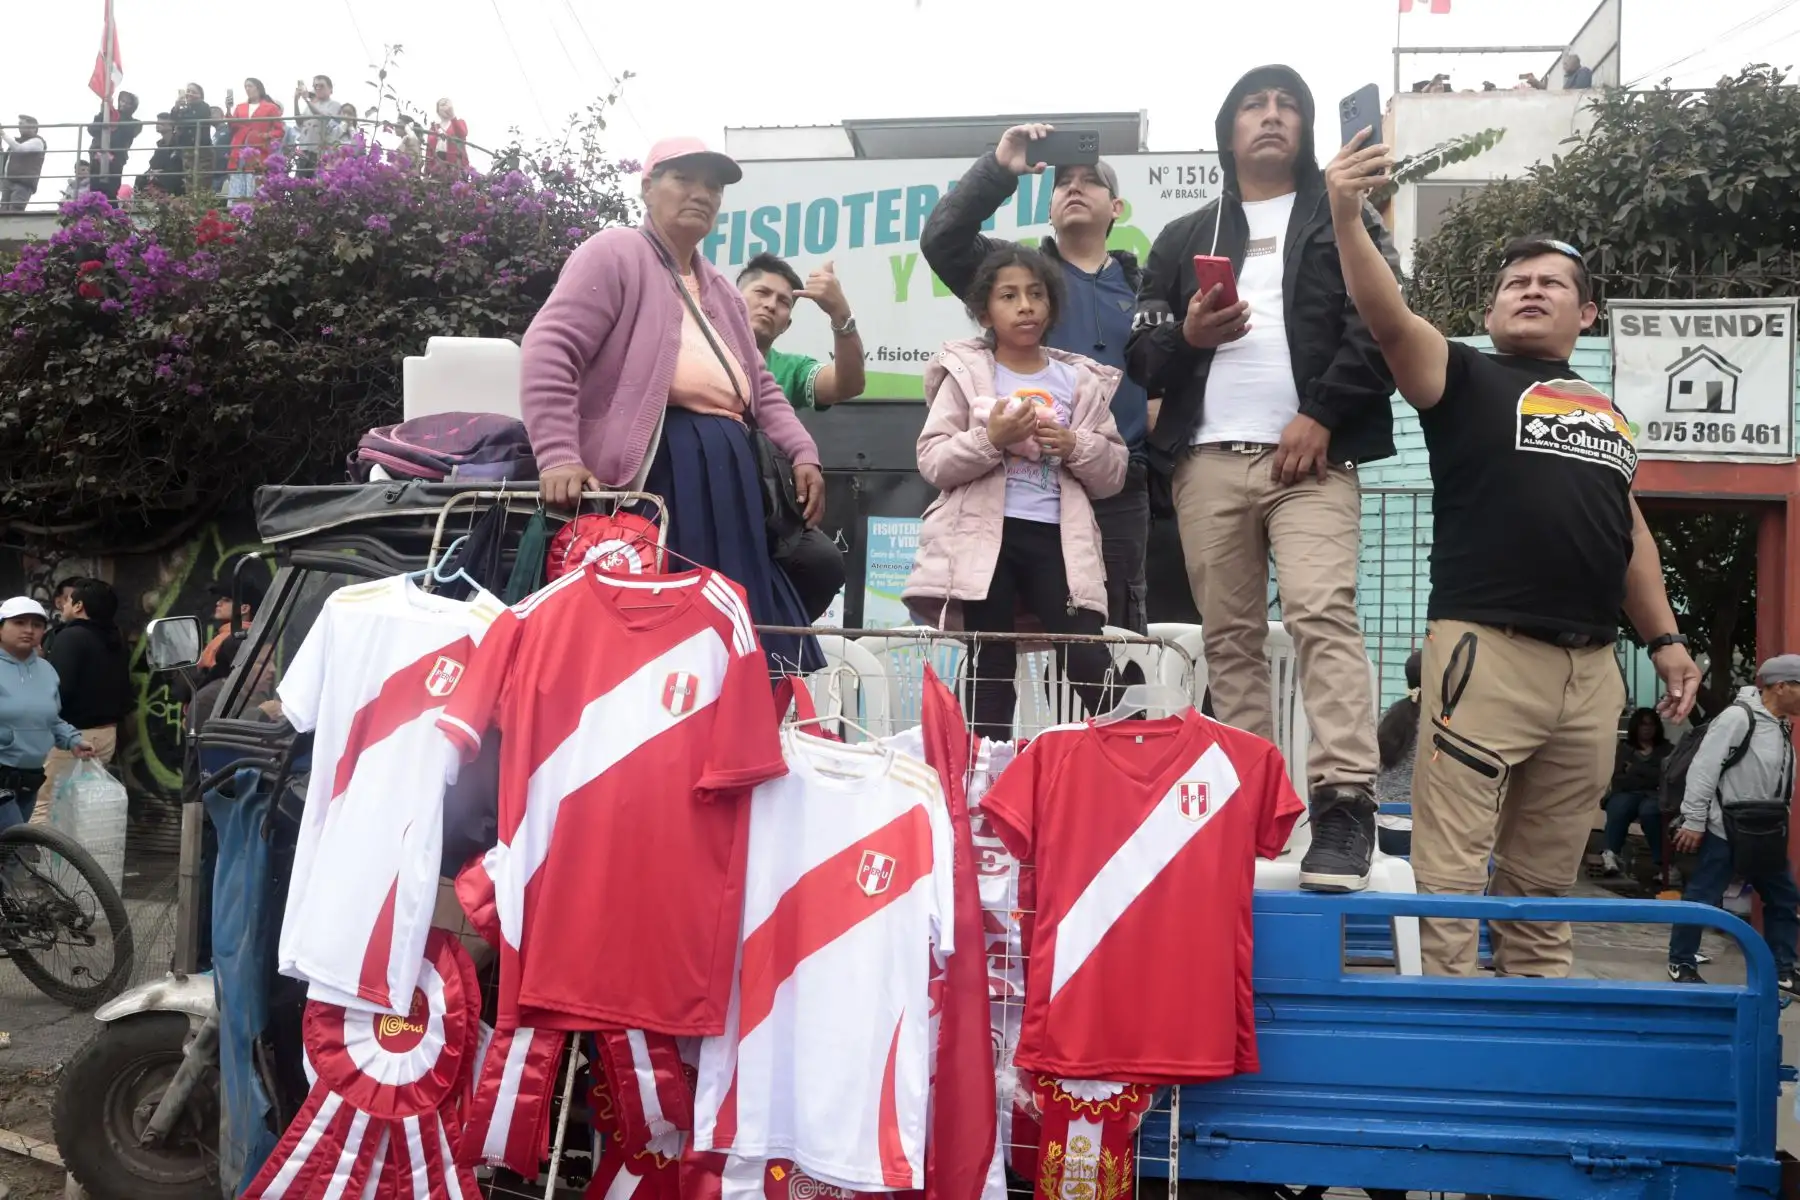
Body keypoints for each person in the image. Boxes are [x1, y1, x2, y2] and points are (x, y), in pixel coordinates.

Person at [1325, 129, 1701, 978]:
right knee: (1451, 883)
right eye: (1515, 283)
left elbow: (1627, 527)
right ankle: (1448, 1051)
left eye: (1552, 283)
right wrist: (1346, 213)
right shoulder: (1457, 373)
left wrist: (1667, 640)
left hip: (1591, 669)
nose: (1531, 291)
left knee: (1542, 883)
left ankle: (1533, 1035)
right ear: (1493, 310)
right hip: (1483, 653)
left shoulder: (1605, 414)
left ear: (1587, 314)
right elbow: (1386, 317)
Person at [1127, 65, 1398, 893]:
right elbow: (1141, 356)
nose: (1273, 116)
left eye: (1289, 105)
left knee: (1322, 613)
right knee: (1230, 641)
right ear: (1228, 127)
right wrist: (1192, 334)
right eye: (1255, 104)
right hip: (1207, 461)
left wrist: (1319, 412)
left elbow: (1383, 325)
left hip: (1316, 458)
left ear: (1309, 127)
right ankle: (1249, 802)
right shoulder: (1181, 236)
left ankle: (1345, 805)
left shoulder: (1346, 212)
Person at [519, 136, 832, 673]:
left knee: (737, 629)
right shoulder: (615, 251)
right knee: (658, 637)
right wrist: (557, 454)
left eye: (712, 186)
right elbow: (551, 347)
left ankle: (731, 745)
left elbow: (761, 386)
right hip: (657, 475)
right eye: (684, 179)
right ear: (647, 188)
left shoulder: (723, 291)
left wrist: (803, 452)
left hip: (729, 479)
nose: (702, 194)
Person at [922, 126, 1151, 638]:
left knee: (1106, 645)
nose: (1073, 187)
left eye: (1088, 180)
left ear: (1116, 207)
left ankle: (1111, 724)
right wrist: (1001, 168)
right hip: (1014, 493)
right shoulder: (1021, 274)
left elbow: (1173, 376)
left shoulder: (1146, 288)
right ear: (1047, 211)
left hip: (1115, 486)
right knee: (998, 650)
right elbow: (942, 239)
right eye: (1062, 182)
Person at [903, 244, 1127, 740]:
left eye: (1035, 294)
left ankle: (1136, 756)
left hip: (1057, 540)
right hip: (986, 540)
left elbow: (1113, 473)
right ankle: (982, 776)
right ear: (985, 311)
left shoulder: (1080, 381)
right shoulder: (965, 375)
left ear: (1051, 307)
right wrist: (992, 439)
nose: (1024, 305)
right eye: (1008, 296)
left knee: (1086, 650)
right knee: (990, 656)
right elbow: (934, 461)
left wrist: (1074, 445)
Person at [1667, 655, 1800, 991]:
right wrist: (1695, 820)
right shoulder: (1738, 718)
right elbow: (1704, 769)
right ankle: (1681, 961)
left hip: (1766, 830)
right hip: (1725, 827)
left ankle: (1782, 969)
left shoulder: (1781, 723)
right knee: (1702, 897)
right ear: (1781, 686)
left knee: (1784, 897)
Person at [35, 579, 131, 822]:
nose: (64, 605)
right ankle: (74, 859)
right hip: (106, 735)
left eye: (68, 600)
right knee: (79, 809)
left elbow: (58, 690)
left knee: (45, 806)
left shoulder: (71, 636)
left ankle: (43, 860)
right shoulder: (115, 638)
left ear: (78, 606)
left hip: (72, 737)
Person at [0, 598, 96, 829]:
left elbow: (51, 718)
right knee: (16, 848)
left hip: (29, 778)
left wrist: (73, 740)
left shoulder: (46, 670)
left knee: (7, 855)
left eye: (37, 624)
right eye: (19, 622)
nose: (29, 630)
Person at [736, 253, 866, 410]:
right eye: (762, 293)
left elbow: (849, 386)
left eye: (783, 301)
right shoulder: (700, 345)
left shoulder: (793, 370)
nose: (771, 305)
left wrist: (840, 312)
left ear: (786, 325)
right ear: (733, 299)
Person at [1601, 707, 1671, 875]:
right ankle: (1610, 854)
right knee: (1618, 806)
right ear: (1635, 727)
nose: (1647, 728)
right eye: (1643, 724)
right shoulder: (1624, 749)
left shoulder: (1666, 749)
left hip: (1655, 795)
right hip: (1627, 793)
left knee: (1650, 812)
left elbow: (1665, 778)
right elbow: (1619, 779)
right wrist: (1649, 775)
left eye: (1651, 724)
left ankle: (1663, 863)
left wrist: (1635, 769)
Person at [226, 78, 283, 198]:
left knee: (255, 184)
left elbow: (279, 129)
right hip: (239, 148)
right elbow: (232, 126)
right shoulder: (240, 107)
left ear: (258, 87)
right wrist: (228, 109)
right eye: (245, 86)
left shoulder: (271, 107)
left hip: (259, 151)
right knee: (237, 181)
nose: (247, 89)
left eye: (250, 86)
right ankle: (236, 213)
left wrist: (267, 136)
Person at [199, 575, 264, 672]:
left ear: (244, 609)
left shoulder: (235, 639)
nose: (218, 603)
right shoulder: (235, 635)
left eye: (226, 600)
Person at [87, 92, 142, 202]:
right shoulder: (106, 115)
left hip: (116, 158)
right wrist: (104, 112)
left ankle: (112, 214)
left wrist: (113, 115)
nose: (123, 104)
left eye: (128, 103)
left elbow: (127, 134)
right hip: (97, 155)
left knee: (111, 191)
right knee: (94, 190)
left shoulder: (135, 123)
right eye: (122, 100)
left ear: (133, 107)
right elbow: (92, 130)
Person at [292, 75, 338, 177]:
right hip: (304, 150)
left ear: (330, 89)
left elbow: (322, 117)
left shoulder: (334, 104)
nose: (318, 88)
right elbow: (299, 122)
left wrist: (306, 100)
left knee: (317, 186)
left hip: (320, 152)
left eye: (321, 85)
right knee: (300, 186)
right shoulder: (311, 105)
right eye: (315, 86)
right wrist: (296, 100)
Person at [1, 116, 46, 212]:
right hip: (9, 180)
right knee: (3, 211)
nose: (19, 126)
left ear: (33, 127)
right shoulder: (17, 141)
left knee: (14, 211)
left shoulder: (38, 141)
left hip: (23, 183)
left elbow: (19, 149)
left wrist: (3, 134)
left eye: (21, 124)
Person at [137, 114, 186, 197]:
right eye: (157, 122)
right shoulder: (160, 145)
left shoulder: (178, 144)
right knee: (140, 179)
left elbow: (178, 166)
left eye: (162, 122)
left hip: (172, 179)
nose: (157, 124)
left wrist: (161, 172)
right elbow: (153, 164)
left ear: (171, 125)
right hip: (159, 178)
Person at [427, 98, 469, 175]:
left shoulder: (459, 122)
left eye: (448, 105)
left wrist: (452, 117)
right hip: (437, 163)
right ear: (438, 111)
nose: (446, 107)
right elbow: (429, 150)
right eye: (442, 105)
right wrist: (427, 172)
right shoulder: (434, 128)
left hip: (455, 162)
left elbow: (462, 133)